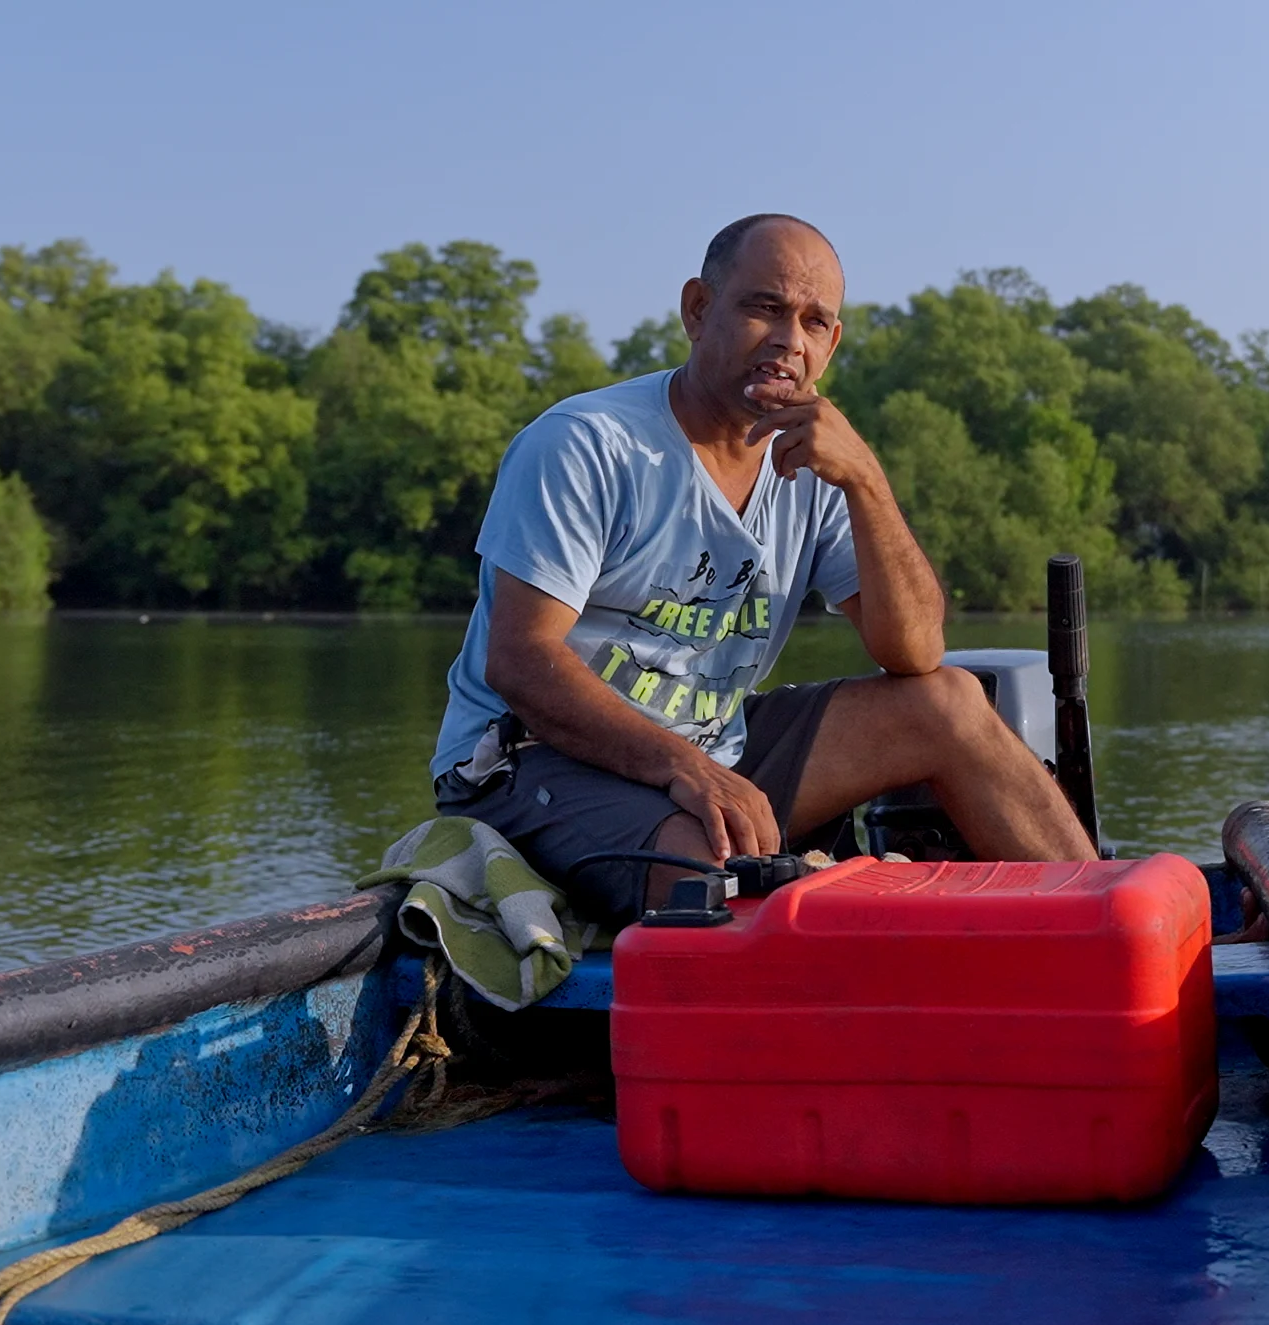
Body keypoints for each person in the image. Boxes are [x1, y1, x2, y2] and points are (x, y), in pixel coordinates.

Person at [428, 213, 1093, 923]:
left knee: (948, 703)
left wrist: (867, 483)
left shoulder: (817, 462)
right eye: (764, 308)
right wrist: (688, 770)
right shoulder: (587, 446)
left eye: (813, 322)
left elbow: (914, 651)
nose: (787, 340)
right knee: (712, 868)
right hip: (528, 759)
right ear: (698, 309)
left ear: (831, 344)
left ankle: (1113, 922)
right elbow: (521, 662)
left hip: (716, 750)